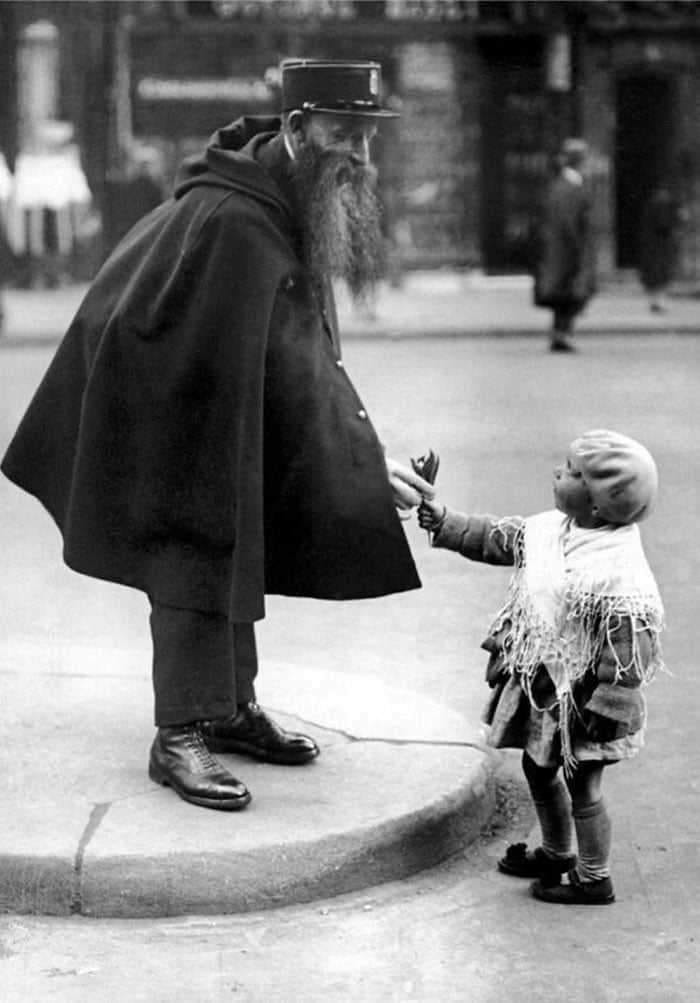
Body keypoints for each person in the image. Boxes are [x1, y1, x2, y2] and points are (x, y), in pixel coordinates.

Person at [1, 59, 434, 812]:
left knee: (236, 529)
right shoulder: (240, 219)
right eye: (345, 136)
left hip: (202, 379)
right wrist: (364, 464)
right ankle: (179, 734)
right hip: (160, 384)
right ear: (297, 129)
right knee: (192, 541)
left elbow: (296, 357)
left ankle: (230, 708)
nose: (361, 157)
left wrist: (364, 462)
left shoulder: (284, 189)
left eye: (367, 137)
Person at [418, 429, 664, 904]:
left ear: (597, 506)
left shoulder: (618, 571)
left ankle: (595, 877)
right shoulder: (551, 531)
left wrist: (611, 703)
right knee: (537, 765)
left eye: (573, 473)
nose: (559, 472)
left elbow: (631, 647)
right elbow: (495, 537)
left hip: (587, 699)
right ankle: (556, 852)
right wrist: (443, 520)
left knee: (583, 783)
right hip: (545, 683)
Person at [533, 138, 596, 353]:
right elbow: (570, 222)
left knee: (566, 294)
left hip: (563, 249)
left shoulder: (564, 184)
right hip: (567, 250)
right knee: (568, 293)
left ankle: (560, 333)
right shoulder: (569, 187)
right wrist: (579, 250)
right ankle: (560, 335)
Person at [638, 182, 685, 313]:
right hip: (659, 247)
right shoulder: (660, 205)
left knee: (656, 275)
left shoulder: (652, 204)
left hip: (653, 246)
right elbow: (664, 224)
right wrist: (679, 218)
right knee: (660, 274)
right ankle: (657, 303)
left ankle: (655, 302)